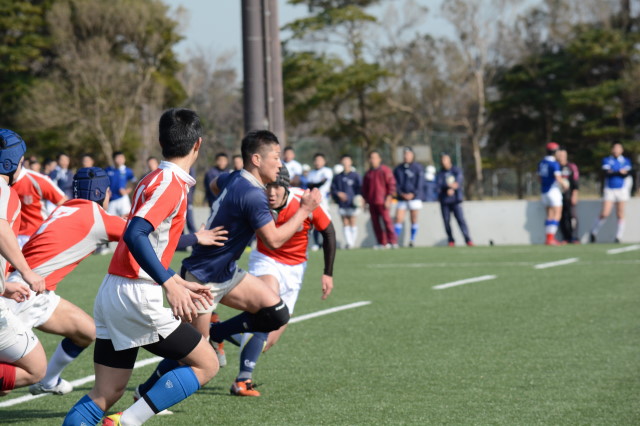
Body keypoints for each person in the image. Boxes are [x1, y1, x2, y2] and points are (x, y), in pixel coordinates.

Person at [134, 130, 321, 401]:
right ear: (257, 159)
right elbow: (274, 240)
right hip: (201, 278)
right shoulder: (253, 195)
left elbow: (214, 185)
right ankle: (144, 392)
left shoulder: (234, 178)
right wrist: (305, 210)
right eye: (276, 157)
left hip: (227, 273)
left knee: (277, 313)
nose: (280, 164)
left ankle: (218, 332)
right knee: (194, 355)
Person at [64, 108, 218, 426]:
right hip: (135, 293)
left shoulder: (153, 178)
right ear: (198, 144)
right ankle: (127, 422)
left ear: (161, 142)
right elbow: (135, 233)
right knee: (207, 363)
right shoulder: (170, 183)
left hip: (114, 290)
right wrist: (169, 283)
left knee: (106, 392)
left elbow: (149, 242)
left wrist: (176, 279)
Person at [6, 168, 125, 396]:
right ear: (101, 192)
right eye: (108, 191)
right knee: (13, 379)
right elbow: (140, 236)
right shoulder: (98, 218)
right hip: (23, 294)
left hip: (36, 289)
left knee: (86, 332)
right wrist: (193, 238)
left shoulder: (67, 208)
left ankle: (48, 382)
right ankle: (41, 379)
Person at [231, 166, 335, 396]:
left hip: (295, 269)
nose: (271, 192)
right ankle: (242, 380)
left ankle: (216, 331)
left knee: (267, 341)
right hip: (265, 260)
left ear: (286, 187)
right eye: (267, 186)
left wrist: (328, 273)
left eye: (277, 186)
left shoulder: (304, 201)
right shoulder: (255, 201)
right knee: (268, 311)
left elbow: (328, 233)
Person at [0, 128, 47, 397]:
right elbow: (0, 228)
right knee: (35, 369)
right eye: (21, 160)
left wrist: (4, 286)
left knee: (4, 381)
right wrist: (27, 271)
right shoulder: (2, 189)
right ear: (10, 162)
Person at [12, 157, 67, 247]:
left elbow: (65, 203)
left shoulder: (37, 180)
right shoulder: (3, 182)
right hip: (9, 236)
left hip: (35, 236)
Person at [590, 141, 633, 243]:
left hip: (622, 189)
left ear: (622, 150)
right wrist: (619, 172)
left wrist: (614, 172)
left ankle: (618, 236)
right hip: (610, 189)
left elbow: (626, 174)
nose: (616, 150)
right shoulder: (607, 160)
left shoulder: (625, 160)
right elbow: (607, 173)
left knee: (620, 213)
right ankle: (593, 232)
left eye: (618, 148)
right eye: (615, 148)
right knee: (605, 213)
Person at [436, 153, 473, 247]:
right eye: (442, 159)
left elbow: (458, 181)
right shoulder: (440, 173)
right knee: (446, 221)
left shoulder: (456, 170)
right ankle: (451, 240)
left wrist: (453, 188)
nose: (443, 161)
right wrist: (447, 187)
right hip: (444, 201)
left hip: (456, 200)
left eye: (445, 159)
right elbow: (438, 185)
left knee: (461, 220)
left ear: (449, 160)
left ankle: (468, 239)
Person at [362, 151, 397, 249]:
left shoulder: (385, 170)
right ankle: (382, 242)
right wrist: (365, 201)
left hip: (383, 201)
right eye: (371, 158)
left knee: (387, 221)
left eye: (375, 157)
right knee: (375, 223)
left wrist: (388, 198)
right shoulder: (368, 173)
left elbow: (391, 185)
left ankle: (392, 241)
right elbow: (365, 189)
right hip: (372, 202)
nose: (373, 160)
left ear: (379, 159)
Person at [537, 142, 568, 245]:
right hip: (553, 190)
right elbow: (558, 178)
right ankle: (551, 238)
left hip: (544, 191)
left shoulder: (541, 163)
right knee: (557, 214)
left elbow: (539, 178)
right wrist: (565, 185)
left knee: (549, 215)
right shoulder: (554, 163)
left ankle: (548, 238)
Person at [393, 147, 424, 247]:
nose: (406, 156)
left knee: (414, 218)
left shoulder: (418, 168)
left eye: (408, 154)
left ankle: (412, 240)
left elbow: (420, 183)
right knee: (398, 218)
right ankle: (394, 241)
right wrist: (401, 193)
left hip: (414, 197)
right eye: (405, 154)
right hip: (402, 198)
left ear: (412, 155)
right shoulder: (398, 168)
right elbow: (395, 183)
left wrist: (413, 194)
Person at [330, 154, 362, 249]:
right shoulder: (337, 177)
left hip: (353, 203)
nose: (345, 163)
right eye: (344, 161)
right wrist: (338, 194)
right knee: (344, 221)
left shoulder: (355, 175)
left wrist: (359, 199)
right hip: (342, 203)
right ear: (341, 162)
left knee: (352, 221)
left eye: (347, 161)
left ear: (351, 162)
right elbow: (333, 189)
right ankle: (349, 243)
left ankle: (352, 242)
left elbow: (360, 188)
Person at [307, 153, 333, 250]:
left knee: (325, 220)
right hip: (313, 200)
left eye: (320, 160)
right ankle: (317, 243)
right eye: (316, 160)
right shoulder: (311, 173)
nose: (318, 162)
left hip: (324, 200)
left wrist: (314, 184)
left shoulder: (327, 171)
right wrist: (315, 185)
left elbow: (322, 182)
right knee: (315, 221)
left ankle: (326, 242)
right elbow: (309, 185)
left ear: (324, 161)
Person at [556, 149, 580, 244]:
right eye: (560, 155)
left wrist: (574, 194)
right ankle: (565, 237)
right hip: (558, 196)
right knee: (561, 217)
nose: (561, 157)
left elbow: (575, 182)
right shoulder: (556, 166)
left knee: (572, 216)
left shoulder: (571, 167)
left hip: (569, 195)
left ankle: (574, 237)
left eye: (563, 155)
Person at [104, 151, 135, 218]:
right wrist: (107, 191)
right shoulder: (107, 170)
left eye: (122, 158)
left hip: (123, 198)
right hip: (111, 200)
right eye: (118, 158)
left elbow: (134, 182)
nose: (120, 160)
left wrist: (127, 191)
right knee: (111, 219)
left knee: (126, 218)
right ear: (113, 159)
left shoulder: (128, 171)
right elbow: (103, 183)